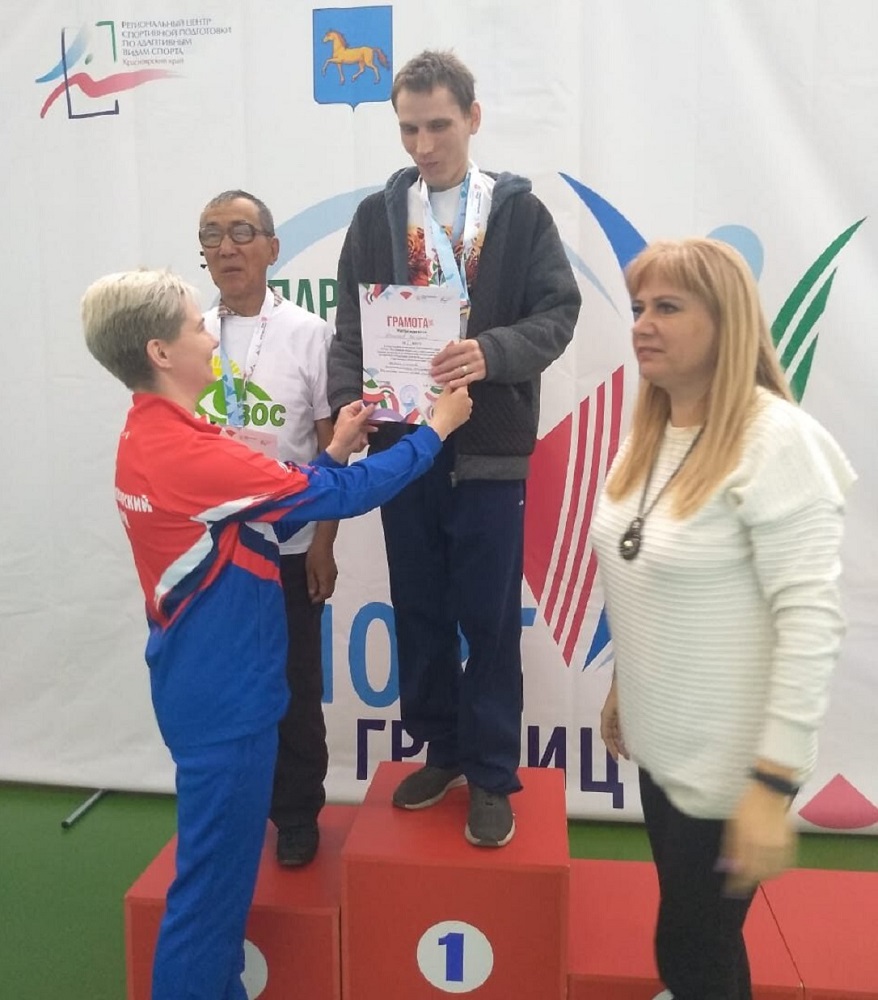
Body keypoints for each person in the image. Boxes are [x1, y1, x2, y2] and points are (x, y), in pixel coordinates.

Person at [81, 268, 471, 1000]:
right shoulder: (190, 454)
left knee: (217, 898)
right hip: (227, 703)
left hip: (210, 688)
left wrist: (335, 447)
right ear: (161, 352)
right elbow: (345, 497)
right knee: (208, 905)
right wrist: (436, 431)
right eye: (196, 327)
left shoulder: (155, 433)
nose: (210, 336)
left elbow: (272, 504)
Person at [327, 49, 581, 848]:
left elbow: (558, 313)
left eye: (439, 125)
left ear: (473, 118)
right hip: (406, 449)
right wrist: (347, 405)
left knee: (489, 619)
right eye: (409, 128)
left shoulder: (518, 214)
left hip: (490, 451)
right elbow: (350, 328)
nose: (424, 144)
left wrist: (492, 352)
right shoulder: (376, 217)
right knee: (421, 608)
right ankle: (442, 751)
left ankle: (494, 773)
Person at [592, 238, 855, 1000]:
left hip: (732, 768)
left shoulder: (778, 443)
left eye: (668, 307)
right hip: (664, 747)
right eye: (639, 307)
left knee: (690, 946)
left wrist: (771, 784)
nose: (643, 323)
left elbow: (811, 626)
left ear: (726, 322)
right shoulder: (651, 433)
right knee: (697, 937)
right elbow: (644, 571)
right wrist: (623, 685)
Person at [197, 189, 334, 867]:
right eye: (212, 235)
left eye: (242, 232)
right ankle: (232, 809)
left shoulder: (309, 334)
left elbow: (333, 448)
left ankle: (298, 813)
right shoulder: (188, 336)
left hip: (289, 546)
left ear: (273, 249)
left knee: (292, 688)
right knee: (220, 688)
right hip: (210, 550)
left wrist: (325, 543)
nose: (226, 247)